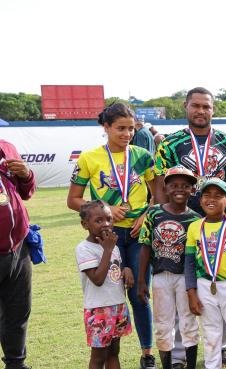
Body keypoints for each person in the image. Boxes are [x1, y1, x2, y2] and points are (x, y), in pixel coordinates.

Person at [67, 103, 159, 369]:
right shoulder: (89, 158)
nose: (127, 133)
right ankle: (105, 353)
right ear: (105, 127)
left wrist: (146, 217)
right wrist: (103, 210)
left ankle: (147, 354)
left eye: (131, 128)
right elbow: (73, 200)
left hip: (139, 233)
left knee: (140, 293)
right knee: (108, 294)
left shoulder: (143, 156)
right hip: (107, 236)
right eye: (120, 128)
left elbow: (158, 195)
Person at [136, 166, 202, 369]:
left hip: (185, 278)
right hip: (160, 276)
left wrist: (194, 286)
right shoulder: (155, 213)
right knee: (163, 325)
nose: (179, 189)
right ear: (165, 188)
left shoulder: (196, 219)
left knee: (189, 323)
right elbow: (146, 246)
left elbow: (196, 256)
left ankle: (189, 365)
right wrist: (141, 280)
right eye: (174, 185)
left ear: (193, 189)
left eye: (185, 186)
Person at [155, 87, 226, 226]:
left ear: (213, 109)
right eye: (195, 106)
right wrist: (163, 223)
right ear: (185, 105)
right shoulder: (168, 144)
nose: (200, 111)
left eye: (206, 107)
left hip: (221, 223)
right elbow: (161, 188)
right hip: (182, 223)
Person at [184, 178, 226, 369]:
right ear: (200, 200)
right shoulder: (194, 227)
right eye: (206, 195)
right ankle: (212, 365)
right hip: (204, 284)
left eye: (218, 195)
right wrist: (191, 293)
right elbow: (189, 262)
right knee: (210, 331)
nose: (211, 199)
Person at [76, 200, 135, 369]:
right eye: (99, 220)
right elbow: (98, 279)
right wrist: (108, 250)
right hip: (99, 310)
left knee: (114, 352)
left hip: (117, 306)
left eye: (109, 219)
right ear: (84, 224)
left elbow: (115, 269)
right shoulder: (84, 249)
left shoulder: (112, 246)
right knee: (98, 358)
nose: (106, 224)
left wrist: (126, 270)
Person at [0, 139, 36, 369]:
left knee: (19, 310)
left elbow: (26, 192)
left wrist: (26, 174)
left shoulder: (7, 146)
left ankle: (16, 364)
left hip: (18, 247)